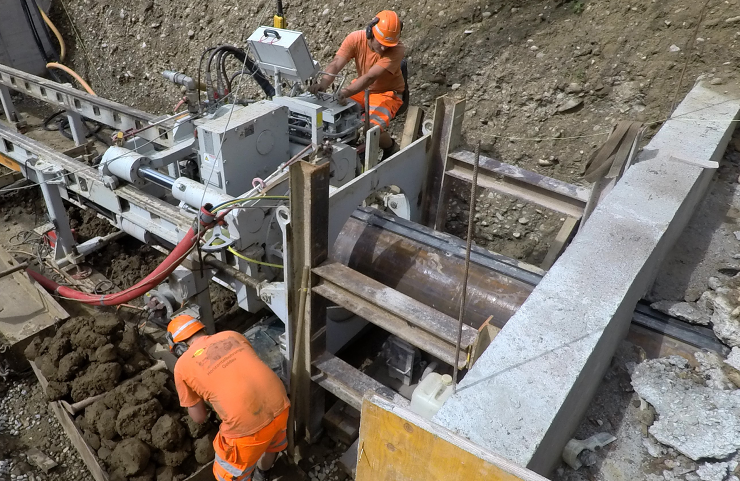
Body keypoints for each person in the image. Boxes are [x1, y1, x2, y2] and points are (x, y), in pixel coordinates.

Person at [168, 314, 290, 481]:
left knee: (225, 474)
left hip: (247, 425)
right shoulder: (232, 335)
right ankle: (262, 476)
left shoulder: (182, 366)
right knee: (271, 445)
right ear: (202, 329)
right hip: (280, 403)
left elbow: (199, 417)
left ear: (179, 347)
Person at [308, 10, 405, 159]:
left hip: (388, 93)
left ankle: (391, 148)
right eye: (381, 43)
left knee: (371, 129)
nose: (384, 48)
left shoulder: (397, 50)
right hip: (362, 90)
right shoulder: (355, 39)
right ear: (370, 33)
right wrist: (323, 84)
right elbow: (336, 64)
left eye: (388, 45)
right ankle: (349, 146)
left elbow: (370, 77)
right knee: (337, 117)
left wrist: (346, 92)